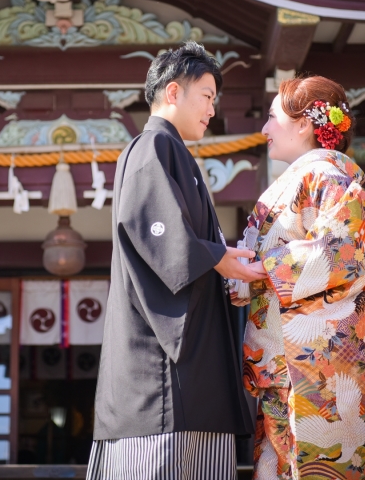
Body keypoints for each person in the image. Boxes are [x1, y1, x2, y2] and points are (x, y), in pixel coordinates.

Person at [87, 41, 262, 480]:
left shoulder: (170, 150)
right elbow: (155, 232)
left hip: (189, 365)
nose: (212, 110)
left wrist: (220, 259)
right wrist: (218, 257)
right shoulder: (152, 147)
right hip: (160, 373)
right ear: (172, 92)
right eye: (206, 96)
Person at [232, 75, 365, 479]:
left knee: (318, 465)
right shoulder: (303, 180)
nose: (264, 128)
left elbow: (342, 252)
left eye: (272, 117)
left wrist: (260, 269)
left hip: (312, 367)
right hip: (285, 364)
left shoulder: (324, 178)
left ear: (303, 124)